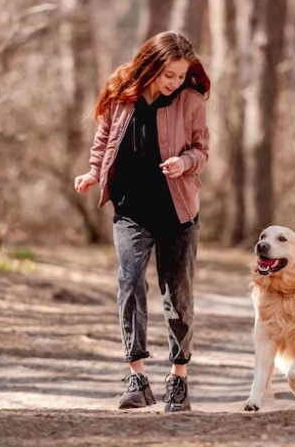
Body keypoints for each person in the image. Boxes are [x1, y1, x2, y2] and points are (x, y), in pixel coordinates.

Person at [74, 31, 210, 412]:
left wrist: (185, 162)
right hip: (130, 210)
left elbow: (202, 149)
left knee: (177, 295)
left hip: (178, 212)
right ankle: (137, 377)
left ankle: (178, 379)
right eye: (169, 74)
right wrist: (94, 173)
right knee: (129, 280)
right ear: (151, 66)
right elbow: (104, 141)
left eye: (181, 76)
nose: (175, 82)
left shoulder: (192, 102)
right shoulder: (121, 94)